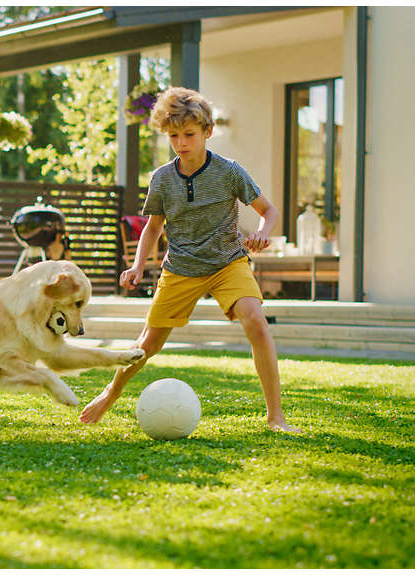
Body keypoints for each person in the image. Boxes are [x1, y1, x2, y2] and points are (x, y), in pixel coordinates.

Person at [80, 87, 300, 433]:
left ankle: (276, 416)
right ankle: (110, 394)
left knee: (256, 320)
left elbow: (268, 211)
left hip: (228, 262)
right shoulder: (162, 179)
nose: (181, 143)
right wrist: (138, 265)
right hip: (181, 267)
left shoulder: (229, 171)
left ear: (207, 132)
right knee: (146, 345)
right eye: (174, 136)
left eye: (189, 135)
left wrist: (262, 231)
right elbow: (153, 229)